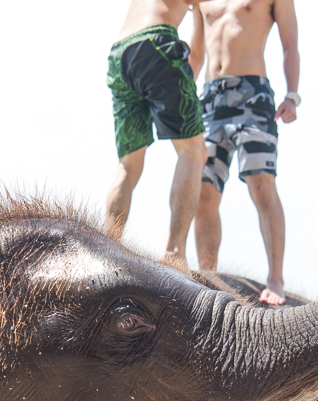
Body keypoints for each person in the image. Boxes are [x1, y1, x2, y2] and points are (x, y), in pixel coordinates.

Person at [190, 0, 299, 304]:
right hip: (211, 101)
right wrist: (178, 95)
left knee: (262, 184)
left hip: (253, 97)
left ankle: (275, 279)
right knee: (203, 193)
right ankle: (207, 276)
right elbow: (196, 53)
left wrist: (292, 95)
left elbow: (290, 45)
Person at [106, 1, 208, 267]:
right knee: (193, 151)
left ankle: (108, 246)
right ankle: (175, 252)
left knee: (128, 164)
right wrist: (198, 13)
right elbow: (194, 60)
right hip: (156, 43)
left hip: (120, 53)